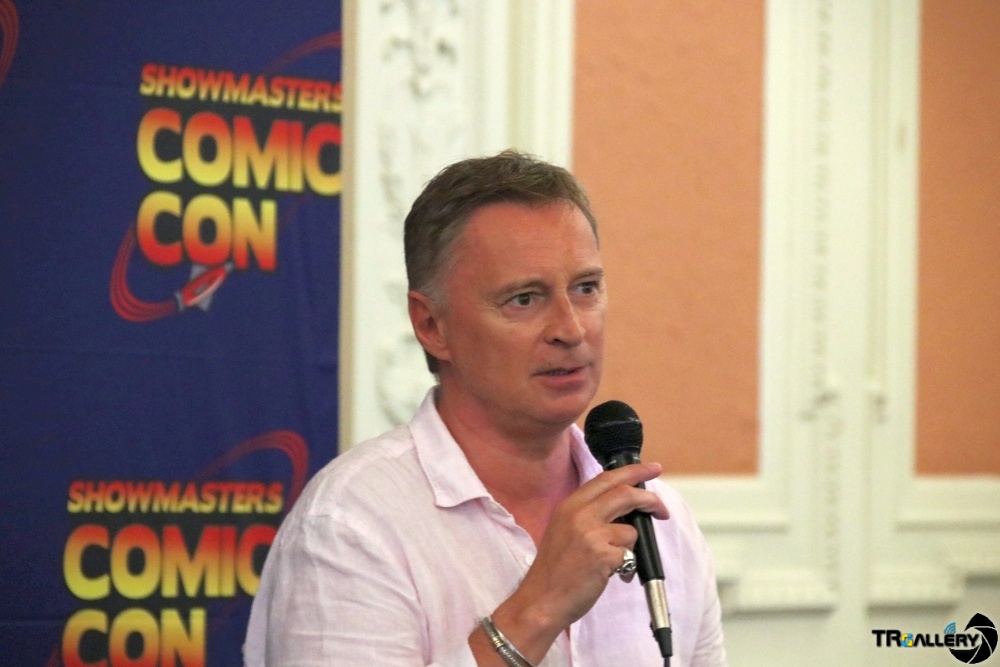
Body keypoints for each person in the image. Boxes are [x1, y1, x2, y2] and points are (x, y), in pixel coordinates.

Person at [244, 151, 727, 666]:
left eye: (586, 288)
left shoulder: (662, 520)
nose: (571, 328)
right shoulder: (349, 525)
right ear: (432, 325)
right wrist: (537, 609)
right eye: (524, 299)